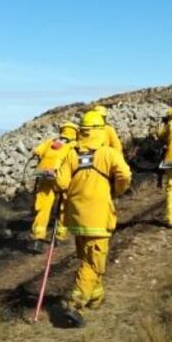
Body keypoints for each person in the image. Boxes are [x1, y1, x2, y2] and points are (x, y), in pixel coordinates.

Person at [54, 110, 132, 326]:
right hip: (98, 218)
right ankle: (74, 304)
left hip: (76, 219)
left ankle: (95, 295)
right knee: (93, 263)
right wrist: (116, 191)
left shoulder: (71, 153)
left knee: (89, 259)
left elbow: (60, 183)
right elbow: (125, 175)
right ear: (100, 130)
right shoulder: (108, 153)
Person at [29, 122, 78, 253]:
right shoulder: (73, 145)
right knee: (64, 207)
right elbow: (74, 163)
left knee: (43, 208)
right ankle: (59, 238)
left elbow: (36, 151)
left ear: (61, 130)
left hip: (45, 176)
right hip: (62, 179)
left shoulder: (50, 142)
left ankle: (37, 240)